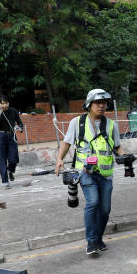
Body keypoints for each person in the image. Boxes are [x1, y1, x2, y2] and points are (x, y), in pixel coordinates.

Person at [55, 89, 126, 256]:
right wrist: (59, 159)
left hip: (106, 173)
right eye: (97, 103)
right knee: (93, 202)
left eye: (104, 103)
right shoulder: (77, 123)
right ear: (89, 104)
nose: (101, 106)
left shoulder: (111, 125)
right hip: (85, 171)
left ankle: (98, 238)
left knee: (105, 209)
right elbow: (66, 143)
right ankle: (91, 241)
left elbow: (116, 146)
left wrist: (126, 157)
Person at [0, 96, 24, 189]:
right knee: (2, 160)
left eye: (6, 103)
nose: (4, 105)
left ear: (8, 103)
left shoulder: (13, 111)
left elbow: (20, 122)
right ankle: (5, 182)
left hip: (12, 136)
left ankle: (11, 170)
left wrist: (20, 128)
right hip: (1, 136)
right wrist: (0, 112)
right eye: (2, 103)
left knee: (14, 158)